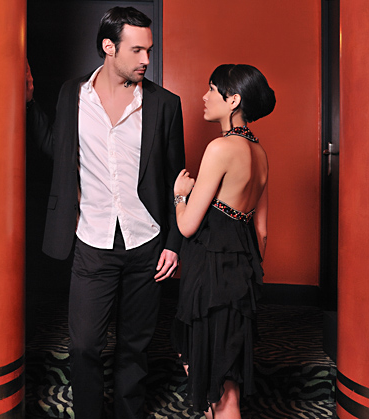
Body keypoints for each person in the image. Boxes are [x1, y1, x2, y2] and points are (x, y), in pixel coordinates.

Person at [26, 7, 185, 418]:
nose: (146, 59)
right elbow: (58, 150)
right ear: (108, 47)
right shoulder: (72, 94)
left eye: (149, 50)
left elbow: (177, 181)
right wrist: (28, 104)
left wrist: (173, 244)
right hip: (91, 240)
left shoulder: (165, 104)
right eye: (136, 50)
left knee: (135, 347)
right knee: (84, 346)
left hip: (147, 243)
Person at [171, 64, 275, 419]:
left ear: (233, 100)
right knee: (223, 378)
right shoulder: (260, 153)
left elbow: (187, 226)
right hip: (240, 277)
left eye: (212, 89)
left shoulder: (219, 148)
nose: (204, 96)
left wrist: (180, 195)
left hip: (209, 275)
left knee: (216, 384)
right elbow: (262, 232)